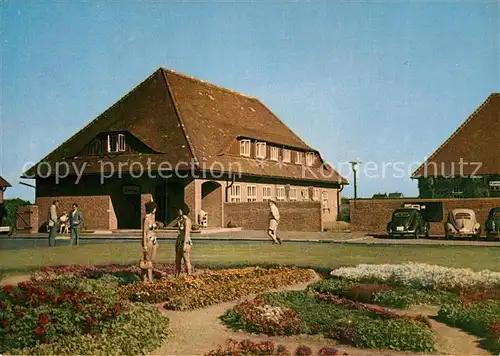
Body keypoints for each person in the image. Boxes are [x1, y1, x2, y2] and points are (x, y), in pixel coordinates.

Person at [141, 201, 158, 283]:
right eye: (154, 208)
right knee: (147, 261)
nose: (155, 209)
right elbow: (144, 232)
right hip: (148, 241)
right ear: (151, 208)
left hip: (154, 240)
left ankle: (148, 279)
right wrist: (144, 245)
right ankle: (148, 279)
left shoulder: (152, 217)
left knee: (151, 260)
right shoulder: (146, 219)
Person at [175, 203, 192, 277]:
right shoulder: (181, 220)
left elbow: (187, 233)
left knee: (186, 260)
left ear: (182, 210)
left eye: (179, 210)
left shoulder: (187, 221)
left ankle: (189, 277)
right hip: (179, 242)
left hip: (185, 242)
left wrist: (184, 245)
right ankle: (176, 276)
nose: (178, 211)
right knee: (177, 261)